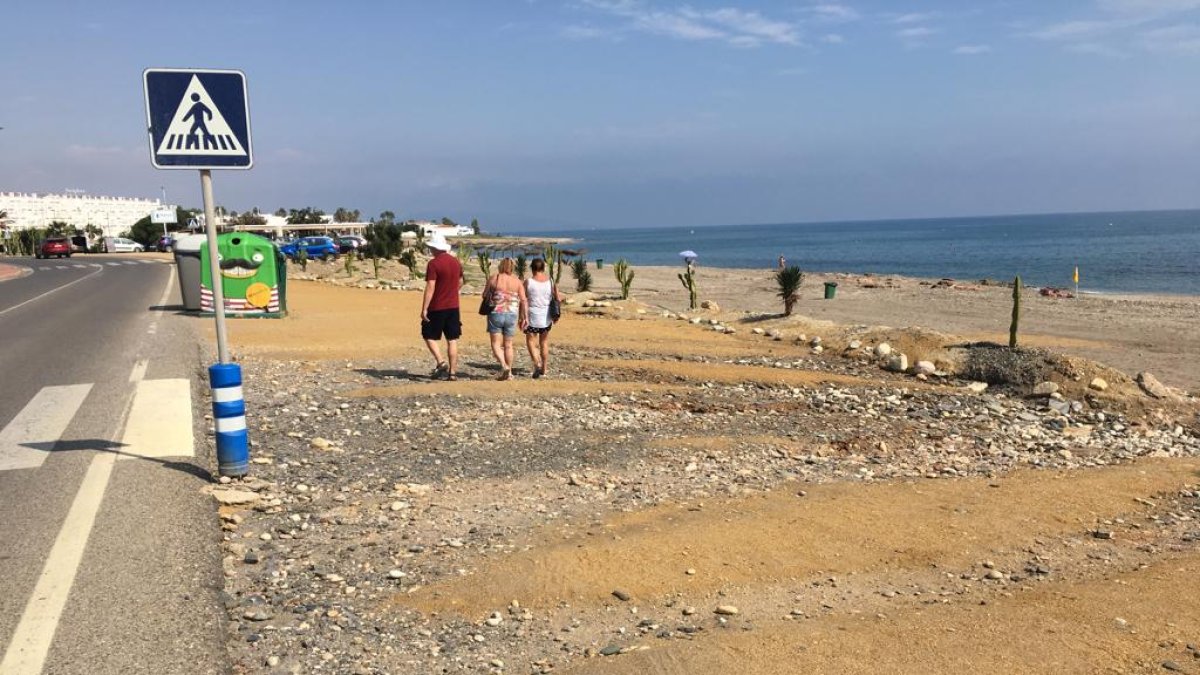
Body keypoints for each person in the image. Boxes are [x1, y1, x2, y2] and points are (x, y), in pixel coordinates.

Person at [420, 234, 462, 380]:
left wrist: (424, 308)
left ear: (435, 248)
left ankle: (441, 361)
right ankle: (453, 373)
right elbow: (461, 281)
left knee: (428, 334)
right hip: (453, 306)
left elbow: (430, 286)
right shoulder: (456, 262)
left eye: (431, 248)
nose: (430, 250)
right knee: (452, 339)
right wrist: (453, 291)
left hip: (437, 306)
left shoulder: (433, 264)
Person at [483, 258, 528, 380]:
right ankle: (510, 373)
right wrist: (525, 317)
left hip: (496, 313)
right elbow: (523, 300)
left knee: (496, 344)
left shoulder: (494, 278)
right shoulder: (517, 281)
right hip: (512, 314)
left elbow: (485, 295)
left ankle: (504, 366)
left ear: (501, 266)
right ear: (512, 268)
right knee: (508, 345)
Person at [523, 258, 563, 378]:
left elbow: (523, 299)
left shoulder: (528, 282)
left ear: (532, 268)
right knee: (544, 342)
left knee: (531, 341)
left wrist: (521, 316)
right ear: (543, 268)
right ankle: (544, 368)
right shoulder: (550, 282)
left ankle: (537, 364)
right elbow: (558, 298)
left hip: (532, 315)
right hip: (546, 316)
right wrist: (557, 315)